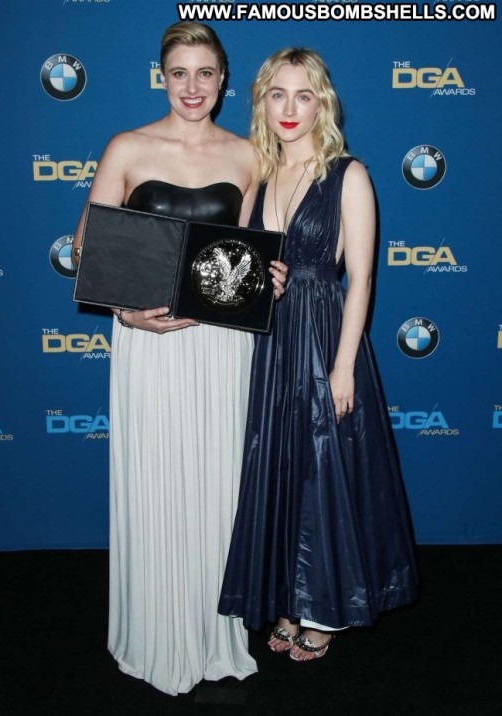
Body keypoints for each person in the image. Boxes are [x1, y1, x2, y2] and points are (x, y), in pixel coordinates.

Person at [72, 22, 286, 695]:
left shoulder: (250, 154)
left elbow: (252, 253)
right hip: (148, 345)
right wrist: (124, 313)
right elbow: (86, 248)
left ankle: (215, 633)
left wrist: (270, 278)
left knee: (219, 487)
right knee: (156, 483)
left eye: (206, 73)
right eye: (179, 73)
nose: (193, 87)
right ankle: (154, 634)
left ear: (224, 80)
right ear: (161, 77)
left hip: (221, 346)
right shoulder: (128, 147)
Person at [219, 48, 419, 662]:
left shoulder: (347, 174)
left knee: (324, 469)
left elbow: (361, 279)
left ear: (321, 104)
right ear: (261, 102)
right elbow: (241, 267)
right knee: (279, 463)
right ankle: (288, 596)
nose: (289, 108)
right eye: (277, 94)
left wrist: (342, 365)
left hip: (325, 334)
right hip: (271, 341)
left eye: (303, 95)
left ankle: (325, 608)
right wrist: (262, 284)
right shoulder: (258, 174)